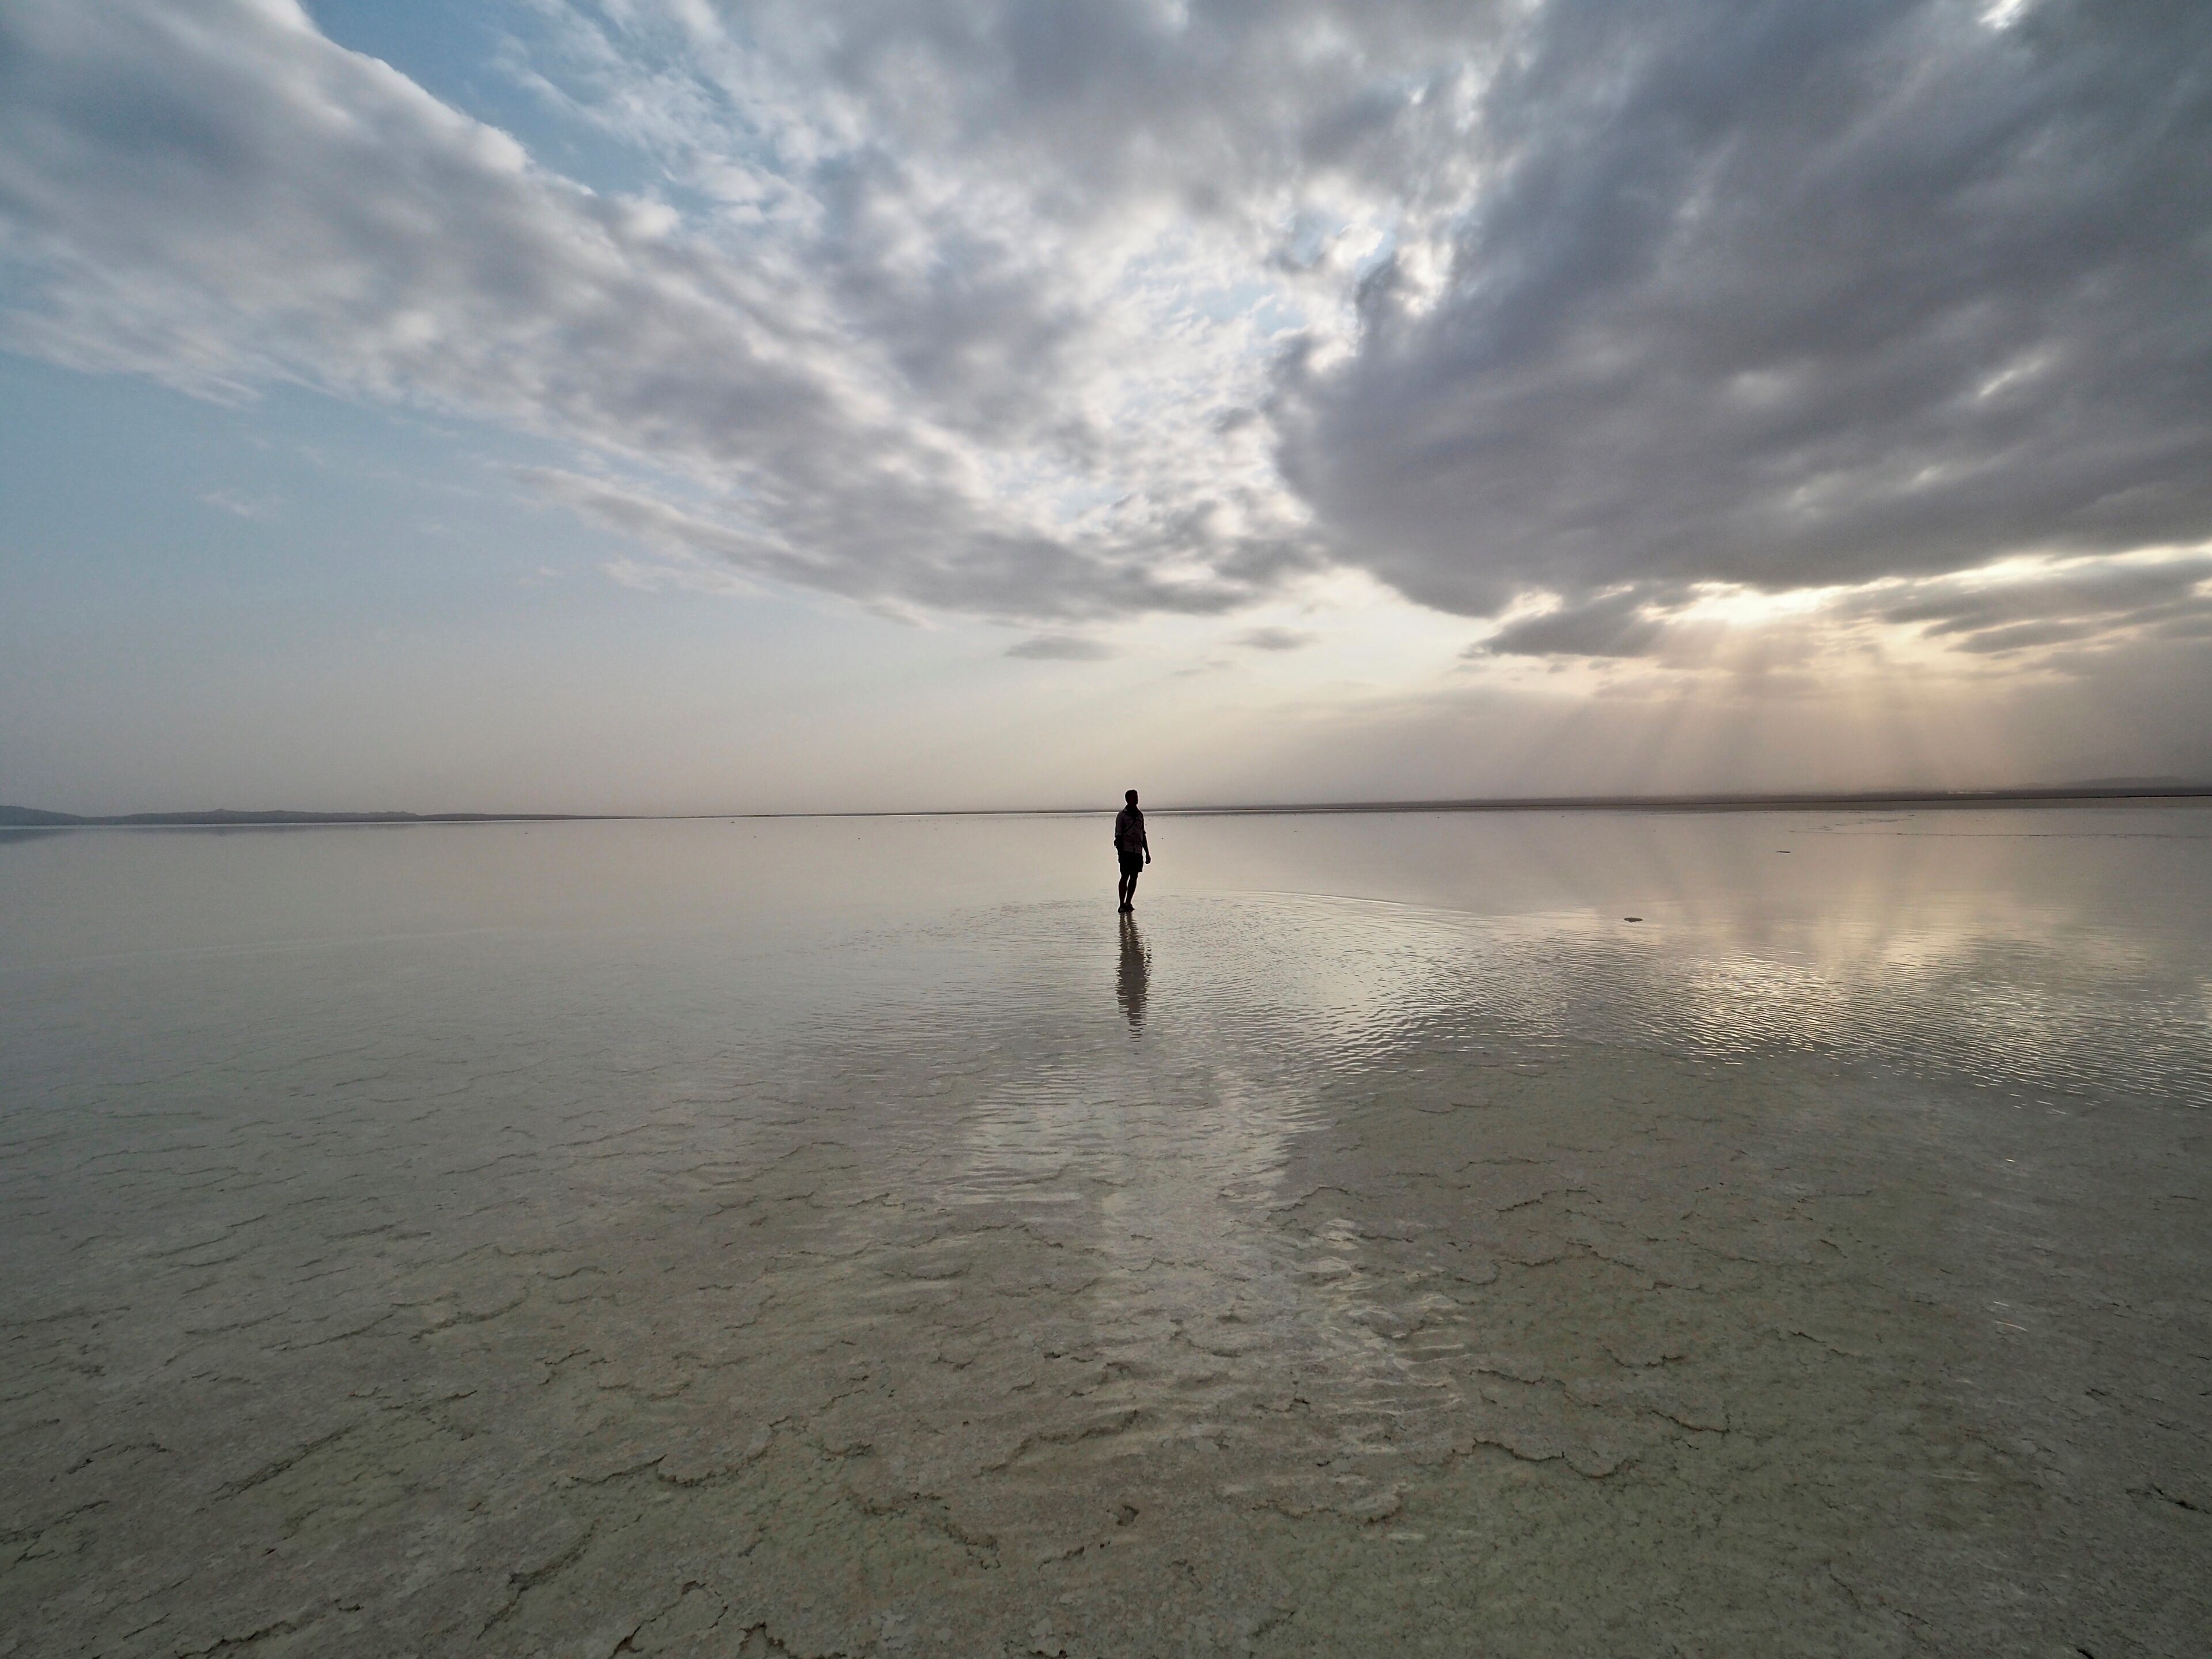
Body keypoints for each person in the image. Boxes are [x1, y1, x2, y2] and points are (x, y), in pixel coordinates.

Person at [1113, 789, 1150, 912]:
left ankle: (1129, 903)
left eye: (1137, 797)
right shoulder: (1122, 816)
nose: (1137, 799)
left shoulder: (1140, 815)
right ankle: (1122, 904)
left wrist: (1147, 853)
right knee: (1125, 876)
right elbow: (1118, 835)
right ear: (1128, 799)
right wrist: (1120, 853)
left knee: (1134, 877)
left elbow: (1143, 834)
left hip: (1138, 851)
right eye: (1135, 797)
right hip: (1126, 851)